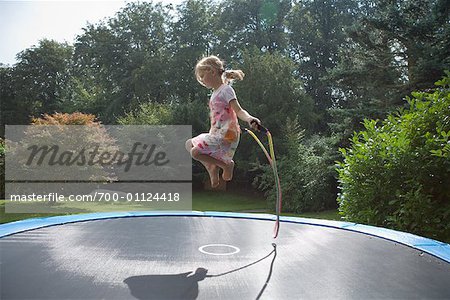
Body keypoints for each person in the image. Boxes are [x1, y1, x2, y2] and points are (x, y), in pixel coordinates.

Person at [185, 55, 261, 188]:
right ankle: (211, 166)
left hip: (227, 133)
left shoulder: (226, 90)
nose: (202, 80)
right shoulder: (215, 93)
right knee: (188, 144)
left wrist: (249, 119)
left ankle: (226, 165)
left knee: (195, 152)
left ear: (212, 72)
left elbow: (239, 110)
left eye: (202, 76)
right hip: (216, 133)